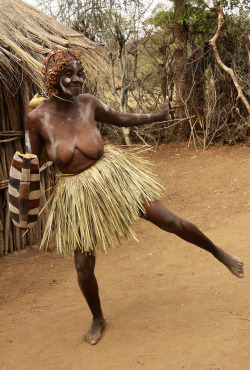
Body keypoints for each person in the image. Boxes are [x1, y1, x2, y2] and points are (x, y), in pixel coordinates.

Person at [25, 50, 244, 345]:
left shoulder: (88, 103)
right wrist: (24, 191)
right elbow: (28, 163)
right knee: (82, 265)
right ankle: (98, 318)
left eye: (79, 73)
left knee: (169, 221)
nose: (76, 79)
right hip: (77, 194)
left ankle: (218, 252)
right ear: (53, 78)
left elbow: (122, 118)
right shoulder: (37, 118)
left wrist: (159, 114)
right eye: (68, 74)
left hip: (114, 178)